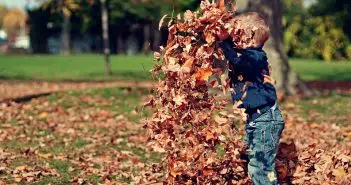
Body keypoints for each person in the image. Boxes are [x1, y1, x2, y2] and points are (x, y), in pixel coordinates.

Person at [217, 12, 285, 185]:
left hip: (265, 120)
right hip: (255, 120)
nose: (234, 41)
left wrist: (224, 41)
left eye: (238, 37)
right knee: (249, 156)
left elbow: (239, 62)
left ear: (251, 38)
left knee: (260, 167)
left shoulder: (256, 57)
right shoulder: (247, 55)